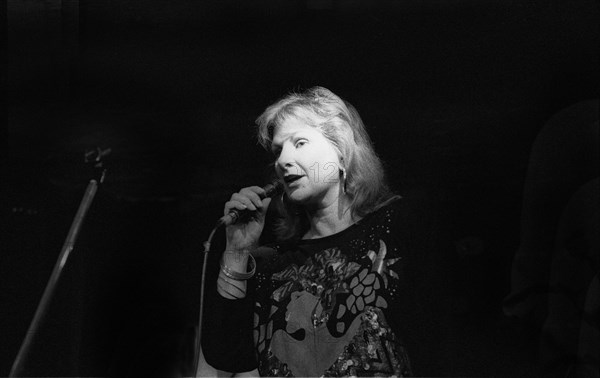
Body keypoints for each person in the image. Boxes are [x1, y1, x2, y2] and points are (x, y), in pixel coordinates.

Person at [202, 86, 426, 377]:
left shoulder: (396, 228)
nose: (283, 161)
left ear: (342, 150)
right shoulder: (273, 264)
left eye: (300, 143)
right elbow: (228, 356)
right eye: (278, 150)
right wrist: (237, 251)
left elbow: (437, 335)